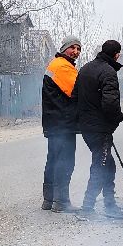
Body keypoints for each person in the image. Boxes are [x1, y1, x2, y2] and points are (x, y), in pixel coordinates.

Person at [72, 39, 123, 218]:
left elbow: (74, 97)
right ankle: (87, 208)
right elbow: (110, 103)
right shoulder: (108, 72)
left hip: (87, 126)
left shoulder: (85, 68)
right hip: (100, 128)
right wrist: (116, 120)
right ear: (116, 54)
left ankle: (110, 205)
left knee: (108, 164)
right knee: (101, 165)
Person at [40, 38, 81, 212]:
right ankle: (61, 201)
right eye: (72, 47)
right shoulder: (63, 67)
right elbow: (78, 91)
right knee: (65, 161)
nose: (76, 51)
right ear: (64, 48)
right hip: (63, 122)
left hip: (54, 122)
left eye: (79, 48)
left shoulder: (56, 64)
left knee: (54, 159)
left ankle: (49, 200)